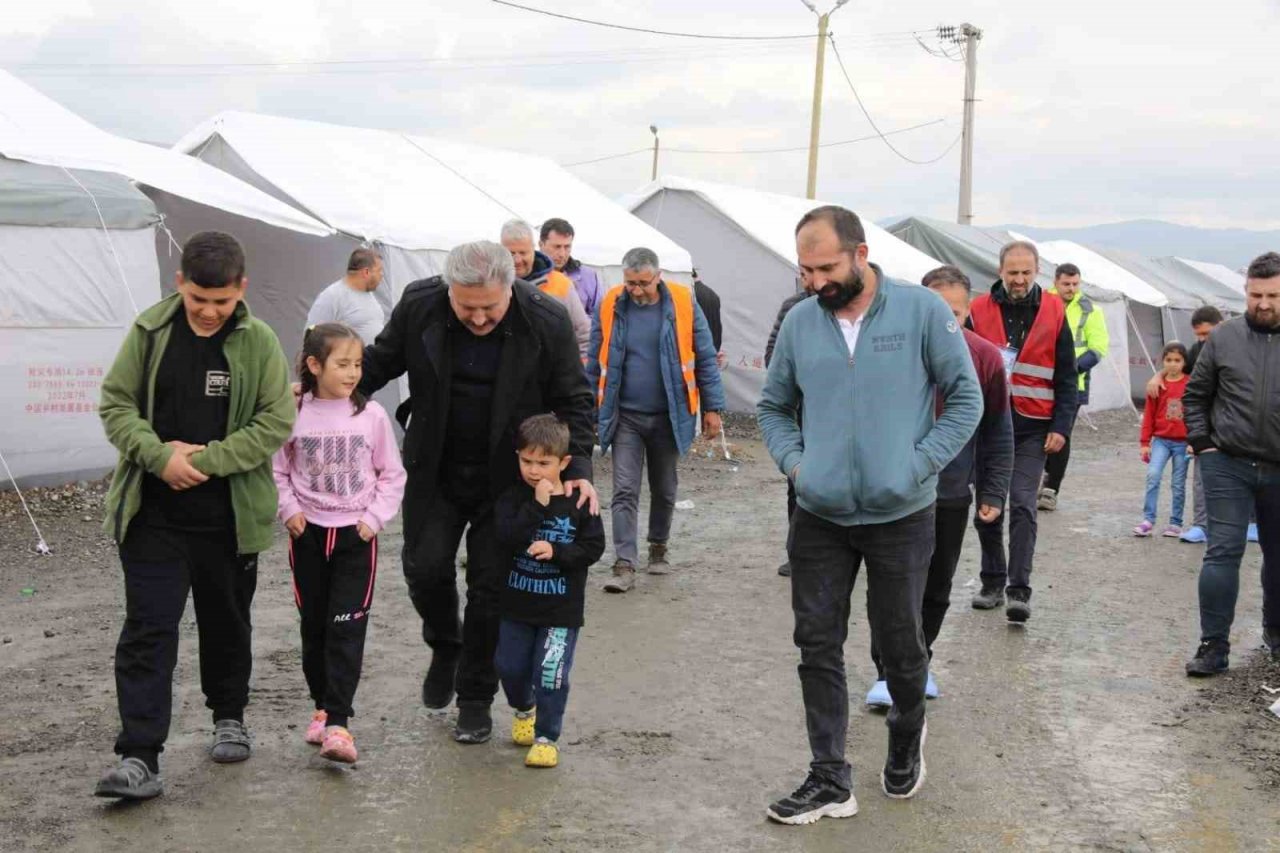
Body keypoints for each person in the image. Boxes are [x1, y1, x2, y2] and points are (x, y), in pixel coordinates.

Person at [758, 206, 981, 823]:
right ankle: (829, 778)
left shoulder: (922, 312)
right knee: (817, 643)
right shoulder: (802, 323)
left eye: (825, 267)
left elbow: (967, 397)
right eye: (805, 269)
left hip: (901, 513)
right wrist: (799, 467)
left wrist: (919, 465)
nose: (814, 281)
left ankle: (907, 734)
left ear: (860, 255)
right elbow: (774, 408)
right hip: (820, 514)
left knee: (900, 644)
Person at [358, 241, 597, 744]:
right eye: (467, 307)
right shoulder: (420, 305)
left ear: (511, 287)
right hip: (435, 468)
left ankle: (474, 696)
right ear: (449, 290)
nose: (480, 318)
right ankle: (447, 645)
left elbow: (574, 399)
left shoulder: (545, 321)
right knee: (425, 570)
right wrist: (326, 388)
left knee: (491, 590)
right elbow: (379, 362)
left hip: (510, 481)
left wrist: (576, 467)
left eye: (490, 307)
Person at [94, 232, 296, 800]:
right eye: (198, 299)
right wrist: (160, 458)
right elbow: (115, 404)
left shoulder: (258, 343)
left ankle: (228, 714)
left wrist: (206, 461)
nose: (208, 312)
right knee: (147, 630)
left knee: (226, 621)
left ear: (241, 291)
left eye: (221, 301)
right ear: (179, 283)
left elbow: (276, 420)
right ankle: (139, 756)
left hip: (229, 519)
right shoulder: (149, 332)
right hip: (153, 516)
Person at [865, 266, 1012, 708]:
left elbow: (997, 430)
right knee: (890, 584)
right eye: (935, 310)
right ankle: (886, 673)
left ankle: (916, 663)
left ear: (968, 312)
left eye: (954, 312)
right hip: (892, 491)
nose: (945, 321)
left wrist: (993, 490)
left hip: (949, 492)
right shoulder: (888, 350)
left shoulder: (984, 358)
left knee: (936, 585)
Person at [273, 323, 407, 764]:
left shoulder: (370, 416)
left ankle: (339, 725)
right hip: (307, 533)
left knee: (346, 628)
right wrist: (289, 509)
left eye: (358, 364)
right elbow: (275, 468)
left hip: (355, 537)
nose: (353, 373)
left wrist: (372, 519)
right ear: (314, 366)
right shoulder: (292, 411)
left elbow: (392, 474)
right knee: (315, 627)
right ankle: (322, 707)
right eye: (342, 364)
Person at [586, 247, 726, 593]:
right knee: (623, 490)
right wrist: (588, 409)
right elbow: (594, 361)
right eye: (630, 283)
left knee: (664, 488)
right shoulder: (610, 304)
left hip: (669, 414)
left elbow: (705, 356)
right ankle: (624, 564)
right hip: (625, 416)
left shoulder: (682, 303)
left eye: (643, 283)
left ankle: (658, 547)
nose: (636, 290)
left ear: (658, 275)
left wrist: (713, 409)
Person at [967, 241, 1077, 623]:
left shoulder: (1055, 310)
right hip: (989, 425)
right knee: (988, 507)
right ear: (1000, 271)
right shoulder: (977, 310)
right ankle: (992, 581)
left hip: (1034, 428)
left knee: (1024, 503)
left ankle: (1019, 590)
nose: (1019, 280)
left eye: (1026, 273)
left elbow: (1066, 375)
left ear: (1037, 272)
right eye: (1012, 273)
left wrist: (1062, 426)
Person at [1183, 251, 1280, 675]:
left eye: (1273, 295)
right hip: (1227, 462)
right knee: (1223, 551)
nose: (1263, 303)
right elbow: (1195, 395)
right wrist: (1203, 444)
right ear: (1245, 291)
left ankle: (1275, 637)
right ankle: (1213, 645)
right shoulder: (1223, 338)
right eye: (1256, 294)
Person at [494, 415, 606, 768]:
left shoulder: (580, 501)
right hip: (516, 606)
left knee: (551, 672)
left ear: (564, 463)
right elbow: (506, 536)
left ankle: (547, 736)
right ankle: (523, 708)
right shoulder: (514, 497)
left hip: (560, 611)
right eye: (526, 461)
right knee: (509, 667)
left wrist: (557, 552)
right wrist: (537, 506)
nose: (534, 470)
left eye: (543, 463)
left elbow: (593, 548)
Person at [1146, 306, 1228, 544]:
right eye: (1198, 335)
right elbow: (1176, 368)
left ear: (1220, 325)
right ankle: (1201, 525)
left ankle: (1250, 523)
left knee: (1242, 475)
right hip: (1208, 424)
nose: (1203, 340)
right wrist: (1157, 376)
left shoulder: (1239, 345)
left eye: (1206, 333)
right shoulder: (1199, 350)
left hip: (1238, 422)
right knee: (1202, 476)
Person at [1039, 263, 1109, 511]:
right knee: (1036, 431)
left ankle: (1050, 490)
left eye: (1075, 284)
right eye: (1066, 284)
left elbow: (1098, 348)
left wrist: (1069, 370)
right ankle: (1036, 479)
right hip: (1039, 379)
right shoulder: (1042, 301)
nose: (1071, 288)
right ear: (1056, 282)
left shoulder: (1091, 310)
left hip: (1073, 384)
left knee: (1061, 434)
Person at [764, 285, 815, 578]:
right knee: (797, 480)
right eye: (806, 271)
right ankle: (797, 553)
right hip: (802, 409)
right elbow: (773, 352)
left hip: (839, 410)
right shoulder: (793, 307)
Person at [504, 220, 591, 359]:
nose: (517, 260)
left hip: (550, 376)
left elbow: (584, 335)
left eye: (523, 252)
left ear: (533, 249)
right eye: (511, 253)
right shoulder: (490, 286)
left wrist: (579, 373)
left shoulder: (561, 284)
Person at [1134, 342, 1191, 538]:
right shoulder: (1156, 385)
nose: (1173, 364)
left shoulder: (1190, 384)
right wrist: (1144, 443)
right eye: (1168, 360)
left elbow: (1196, 413)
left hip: (1183, 443)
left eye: (1177, 360)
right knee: (1153, 475)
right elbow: (1149, 415)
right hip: (1160, 441)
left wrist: (1194, 441)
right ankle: (1148, 520)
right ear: (1162, 361)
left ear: (1184, 362)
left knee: (1178, 482)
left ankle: (1176, 523)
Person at [306, 248, 387, 345]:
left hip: (373, 359)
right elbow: (310, 334)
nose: (382, 275)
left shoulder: (369, 294)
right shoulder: (333, 295)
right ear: (366, 272)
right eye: (379, 271)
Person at [540, 218, 604, 318]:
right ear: (541, 244)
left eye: (567, 247)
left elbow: (600, 316)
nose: (562, 254)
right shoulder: (527, 275)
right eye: (557, 247)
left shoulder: (588, 276)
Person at [693, 273, 727, 369]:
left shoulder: (691, 295)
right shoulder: (713, 294)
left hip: (699, 356)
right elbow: (717, 327)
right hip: (712, 353)